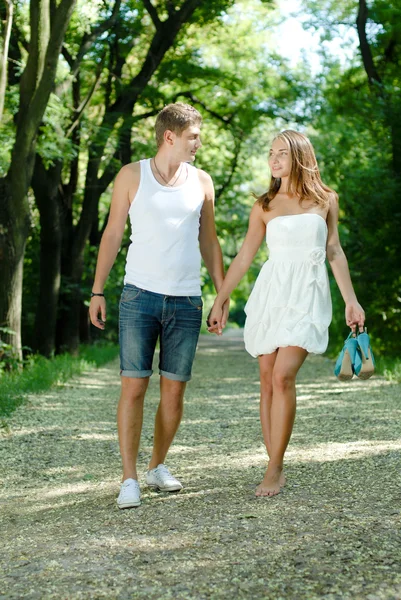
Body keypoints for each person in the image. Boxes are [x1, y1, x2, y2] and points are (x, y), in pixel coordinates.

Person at [207, 130, 365, 498]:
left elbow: (334, 251)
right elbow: (245, 254)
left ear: (300, 157)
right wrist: (221, 299)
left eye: (282, 153)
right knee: (266, 377)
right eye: (270, 153)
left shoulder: (326, 199)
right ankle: (273, 461)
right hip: (272, 292)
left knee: (283, 376)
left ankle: (275, 467)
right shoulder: (264, 205)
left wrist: (351, 301)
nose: (274, 159)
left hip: (307, 293)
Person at [89, 102, 228, 509]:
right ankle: (129, 478)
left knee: (174, 393)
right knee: (133, 388)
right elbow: (113, 233)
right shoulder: (131, 176)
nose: (198, 143)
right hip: (139, 296)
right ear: (170, 136)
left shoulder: (202, 181)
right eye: (193, 137)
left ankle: (157, 466)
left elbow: (210, 241)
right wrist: (97, 291)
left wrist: (221, 295)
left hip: (186, 300)